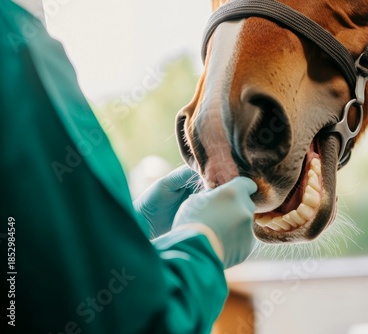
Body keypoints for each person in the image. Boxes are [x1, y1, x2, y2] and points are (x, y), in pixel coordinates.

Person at [0, 1, 257, 333]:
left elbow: (33, 274)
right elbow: (130, 324)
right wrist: (203, 247)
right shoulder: (18, 54)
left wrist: (130, 230)